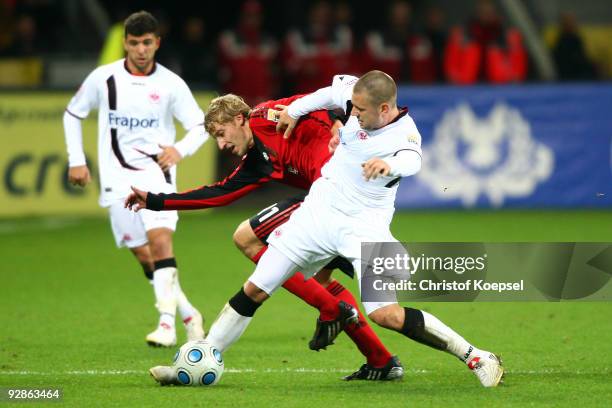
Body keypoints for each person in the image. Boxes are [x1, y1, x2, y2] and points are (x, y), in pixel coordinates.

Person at [141, 71, 505, 387]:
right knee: (255, 288)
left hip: (362, 227)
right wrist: (298, 111)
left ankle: (477, 357)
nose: (351, 116)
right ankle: (199, 360)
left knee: (386, 314)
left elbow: (413, 160)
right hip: (314, 217)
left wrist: (387, 164)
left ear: (383, 109)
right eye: (352, 109)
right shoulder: (346, 108)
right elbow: (331, 95)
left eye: (359, 111)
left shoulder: (405, 135)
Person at [126, 92, 402, 381]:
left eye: (222, 134)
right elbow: (219, 194)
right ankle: (380, 360)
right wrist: (157, 201)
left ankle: (332, 309)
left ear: (239, 118)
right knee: (319, 279)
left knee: (247, 237)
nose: (221, 144)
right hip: (328, 208)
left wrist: (335, 120)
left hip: (342, 198)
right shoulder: (255, 161)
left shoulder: (270, 114)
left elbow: (325, 98)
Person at [62, 11, 207, 348]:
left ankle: (166, 325)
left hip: (157, 176)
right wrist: (77, 160)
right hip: (116, 180)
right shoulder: (104, 79)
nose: (140, 50)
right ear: (125, 43)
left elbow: (200, 124)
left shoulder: (171, 83)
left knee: (160, 244)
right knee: (146, 258)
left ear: (157, 43)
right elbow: (73, 113)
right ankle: (190, 316)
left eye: (146, 43)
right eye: (133, 43)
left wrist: (180, 150)